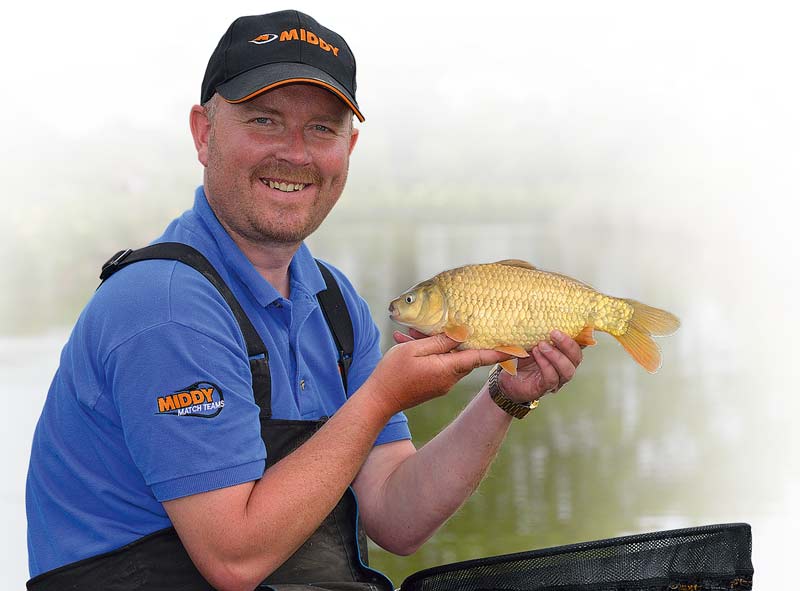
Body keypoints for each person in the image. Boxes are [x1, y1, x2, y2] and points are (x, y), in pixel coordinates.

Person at [25, 10, 583, 591]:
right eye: (265, 120)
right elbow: (233, 560)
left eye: (322, 128)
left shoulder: (336, 303)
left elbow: (397, 515)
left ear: (350, 147)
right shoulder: (163, 306)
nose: (295, 153)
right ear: (203, 133)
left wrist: (503, 399)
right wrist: (379, 398)